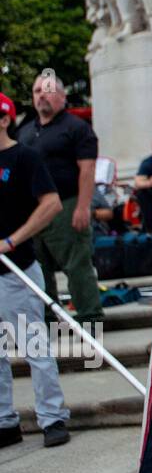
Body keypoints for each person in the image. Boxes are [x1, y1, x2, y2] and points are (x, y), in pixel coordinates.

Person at [0, 91, 71, 449]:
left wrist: (11, 241)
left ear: (4, 118)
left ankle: (52, 418)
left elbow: (52, 203)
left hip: (18, 269)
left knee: (35, 350)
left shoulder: (25, 157)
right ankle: (4, 421)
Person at [16, 71, 103, 324]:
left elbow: (87, 170)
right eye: (37, 91)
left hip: (67, 203)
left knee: (76, 264)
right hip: (33, 210)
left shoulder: (76, 128)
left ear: (63, 97)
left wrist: (83, 207)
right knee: (38, 267)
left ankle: (90, 317)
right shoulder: (25, 131)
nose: (42, 95)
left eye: (48, 89)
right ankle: (46, 317)